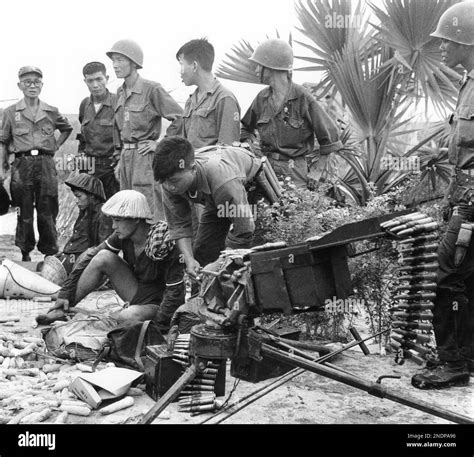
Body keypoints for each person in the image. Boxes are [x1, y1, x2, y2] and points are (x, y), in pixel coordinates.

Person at [411, 2, 474, 389]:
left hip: (473, 202)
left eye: (447, 42)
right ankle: (465, 356)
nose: (443, 50)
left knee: (445, 275)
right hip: (464, 195)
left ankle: (452, 362)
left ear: (466, 40)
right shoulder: (469, 84)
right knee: (466, 278)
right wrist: (441, 153)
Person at [39, 190, 185, 328]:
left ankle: (135, 316)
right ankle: (64, 308)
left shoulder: (164, 242)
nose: (114, 226)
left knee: (127, 317)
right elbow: (91, 256)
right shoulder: (122, 236)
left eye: (118, 220)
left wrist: (160, 325)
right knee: (102, 257)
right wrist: (66, 293)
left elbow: (175, 292)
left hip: (159, 304)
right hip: (138, 293)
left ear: (135, 220)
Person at [153, 136, 261, 279]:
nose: (170, 187)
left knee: (255, 258)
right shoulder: (170, 182)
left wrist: (218, 264)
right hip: (217, 200)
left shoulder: (223, 181)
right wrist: (189, 260)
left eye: (174, 181)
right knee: (202, 254)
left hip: (252, 192)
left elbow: (244, 230)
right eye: (164, 182)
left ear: (192, 169)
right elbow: (179, 226)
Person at [240, 39, 342, 190]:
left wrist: (318, 170)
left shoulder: (302, 97)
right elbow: (245, 129)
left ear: (270, 67)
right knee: (266, 213)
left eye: (259, 65)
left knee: (295, 211)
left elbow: (330, 136)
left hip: (294, 171)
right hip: (266, 169)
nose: (255, 70)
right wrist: (250, 151)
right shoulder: (261, 98)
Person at [0, 66, 73, 261]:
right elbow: (3, 141)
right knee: (23, 210)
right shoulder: (10, 112)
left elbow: (67, 128)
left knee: (47, 208)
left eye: (36, 82)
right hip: (22, 164)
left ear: (42, 85)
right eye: (27, 82)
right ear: (19, 85)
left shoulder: (51, 111)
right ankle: (25, 253)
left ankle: (50, 251)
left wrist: (55, 146)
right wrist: (3, 166)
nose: (32, 86)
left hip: (46, 164)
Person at [107, 39, 183, 221]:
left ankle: (154, 248)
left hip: (145, 159)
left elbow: (180, 117)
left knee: (147, 209)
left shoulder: (152, 89)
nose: (115, 66)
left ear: (133, 63)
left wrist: (160, 144)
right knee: (126, 210)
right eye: (113, 61)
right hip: (126, 159)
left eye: (119, 60)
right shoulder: (120, 92)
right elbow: (120, 127)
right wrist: (120, 159)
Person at [176, 38, 240, 149]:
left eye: (182, 64)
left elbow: (228, 152)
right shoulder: (190, 102)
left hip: (211, 166)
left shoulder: (224, 99)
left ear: (194, 66)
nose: (180, 71)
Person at [49, 173, 111, 276]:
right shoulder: (85, 212)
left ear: (91, 195)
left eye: (79, 196)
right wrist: (65, 252)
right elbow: (77, 240)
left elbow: (104, 248)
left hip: (86, 260)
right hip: (75, 257)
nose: (76, 201)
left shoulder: (103, 214)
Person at [77, 61, 119, 200]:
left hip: (112, 169)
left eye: (99, 79)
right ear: (85, 81)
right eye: (90, 81)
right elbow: (83, 137)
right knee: (89, 212)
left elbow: (126, 135)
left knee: (112, 211)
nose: (95, 85)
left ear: (106, 78)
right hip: (89, 169)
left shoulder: (118, 102)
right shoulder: (84, 105)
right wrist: (80, 156)